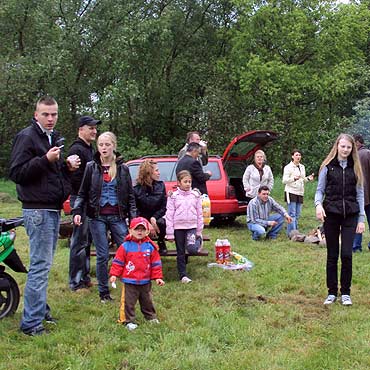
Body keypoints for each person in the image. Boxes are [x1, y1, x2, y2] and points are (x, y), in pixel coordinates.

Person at [9, 96, 80, 336]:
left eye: (54, 114)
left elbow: (48, 174)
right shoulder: (28, 137)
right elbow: (17, 173)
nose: (51, 119)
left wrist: (65, 167)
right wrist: (45, 159)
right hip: (37, 209)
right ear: (36, 114)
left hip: (51, 207)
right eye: (46, 114)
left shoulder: (50, 137)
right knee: (40, 266)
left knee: (44, 266)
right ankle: (31, 324)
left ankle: (39, 311)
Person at [73, 131, 137, 303]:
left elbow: (130, 196)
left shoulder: (123, 168)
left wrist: (134, 219)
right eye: (101, 145)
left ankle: (131, 286)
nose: (104, 148)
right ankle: (104, 292)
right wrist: (77, 211)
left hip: (117, 216)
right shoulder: (91, 167)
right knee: (102, 255)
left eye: (107, 144)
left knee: (127, 251)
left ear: (113, 146)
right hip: (97, 216)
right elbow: (82, 193)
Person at [315, 133, 365, 306]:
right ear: (337, 146)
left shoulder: (356, 168)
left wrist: (361, 219)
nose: (345, 149)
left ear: (352, 149)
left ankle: (345, 292)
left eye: (348, 147)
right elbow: (320, 190)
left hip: (351, 215)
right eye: (343, 146)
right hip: (331, 214)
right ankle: (331, 292)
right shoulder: (327, 167)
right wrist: (318, 205)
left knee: (347, 254)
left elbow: (360, 194)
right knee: (332, 255)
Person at [109, 217, 165, 331]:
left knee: (147, 301)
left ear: (147, 231)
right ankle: (128, 320)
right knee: (128, 302)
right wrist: (114, 274)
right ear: (130, 230)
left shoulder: (151, 247)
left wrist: (158, 277)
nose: (140, 232)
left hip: (145, 281)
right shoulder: (125, 246)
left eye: (142, 229)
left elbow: (156, 263)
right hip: (130, 281)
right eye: (137, 229)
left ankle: (151, 317)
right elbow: (118, 262)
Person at [68, 115, 101, 291]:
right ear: (81, 129)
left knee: (87, 241)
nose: (94, 131)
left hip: (91, 202)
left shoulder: (89, 149)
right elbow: (74, 179)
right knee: (78, 242)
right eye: (90, 128)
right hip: (80, 201)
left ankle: (85, 277)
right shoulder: (77, 149)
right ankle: (75, 281)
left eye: (95, 128)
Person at [165, 170, 204, 283]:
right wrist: (170, 233)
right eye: (185, 181)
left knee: (191, 249)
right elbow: (169, 214)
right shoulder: (173, 196)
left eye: (190, 182)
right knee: (180, 251)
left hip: (191, 226)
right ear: (179, 182)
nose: (188, 184)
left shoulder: (195, 196)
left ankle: (199, 241)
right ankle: (183, 275)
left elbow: (199, 213)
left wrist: (198, 230)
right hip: (178, 228)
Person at [134, 159, 167, 254]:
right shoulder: (136, 190)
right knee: (138, 225)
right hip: (142, 219)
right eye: (156, 170)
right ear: (149, 173)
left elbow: (164, 207)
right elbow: (135, 210)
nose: (159, 173)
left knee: (162, 222)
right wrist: (146, 222)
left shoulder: (161, 186)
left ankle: (161, 242)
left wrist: (154, 218)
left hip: (157, 219)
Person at [282, 149, 314, 237]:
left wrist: (308, 178)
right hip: (291, 191)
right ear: (292, 156)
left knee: (297, 214)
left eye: (299, 155)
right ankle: (291, 233)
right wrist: (293, 179)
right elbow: (284, 180)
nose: (298, 157)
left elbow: (303, 179)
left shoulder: (302, 166)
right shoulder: (288, 167)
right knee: (292, 214)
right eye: (296, 155)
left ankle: (295, 232)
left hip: (300, 192)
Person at [352, 134, 370, 252]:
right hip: (367, 195)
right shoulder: (367, 153)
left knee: (358, 220)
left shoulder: (354, 155)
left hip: (357, 195)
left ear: (358, 142)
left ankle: (356, 246)